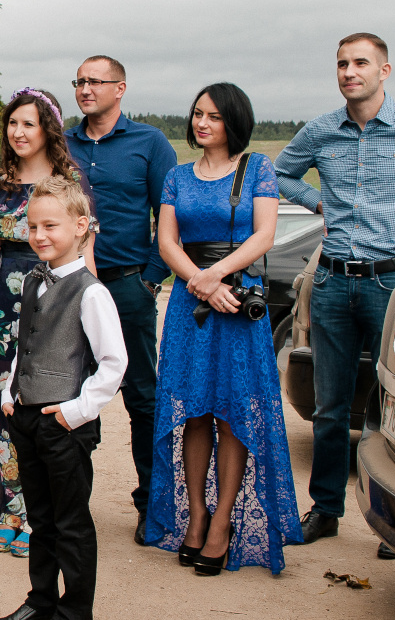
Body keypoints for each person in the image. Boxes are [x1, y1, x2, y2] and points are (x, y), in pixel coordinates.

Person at [148, 83, 301, 575]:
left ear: (234, 120)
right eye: (198, 113)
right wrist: (199, 282)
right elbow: (166, 241)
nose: (202, 123)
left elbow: (265, 234)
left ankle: (222, 524)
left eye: (213, 116)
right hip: (190, 304)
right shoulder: (177, 175)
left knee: (233, 415)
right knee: (193, 413)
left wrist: (215, 276)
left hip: (237, 301)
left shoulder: (258, 168)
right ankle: (196, 516)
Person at [276, 32, 395, 560]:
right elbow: (279, 173)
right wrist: (318, 204)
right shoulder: (321, 130)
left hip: (389, 283)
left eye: (360, 63)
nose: (349, 72)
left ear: (384, 70)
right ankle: (326, 510)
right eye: (342, 64)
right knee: (330, 408)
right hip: (332, 282)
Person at [0, 88, 96, 558]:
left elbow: (86, 252)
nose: (18, 132)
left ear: (47, 130)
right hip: (3, 309)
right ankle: (12, 510)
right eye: (12, 124)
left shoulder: (68, 182)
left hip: (53, 302)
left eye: (28, 124)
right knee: (4, 410)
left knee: (44, 408)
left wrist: (88, 311)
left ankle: (42, 513)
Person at [0, 176, 126, 620]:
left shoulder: (91, 292)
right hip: (26, 417)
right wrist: (11, 390)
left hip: (65, 425)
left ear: (80, 226)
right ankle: (41, 601)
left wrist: (76, 411)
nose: (39, 236)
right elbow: (27, 342)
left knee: (71, 523)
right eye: (33, 227)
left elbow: (114, 363)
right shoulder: (33, 280)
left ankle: (74, 612)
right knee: (41, 519)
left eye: (50, 226)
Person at [65, 55, 177, 545]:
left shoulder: (149, 143)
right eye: (80, 81)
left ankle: (152, 505)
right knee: (67, 392)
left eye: (96, 81)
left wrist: (150, 280)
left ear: (121, 87)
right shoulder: (63, 143)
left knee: (142, 397)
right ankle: (68, 507)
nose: (86, 89)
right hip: (71, 286)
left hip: (128, 285)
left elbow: (170, 214)